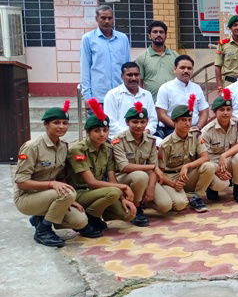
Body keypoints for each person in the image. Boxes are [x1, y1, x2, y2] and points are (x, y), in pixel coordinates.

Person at [15, 100, 100, 247]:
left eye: (65, 123)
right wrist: (51, 184)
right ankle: (43, 231)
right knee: (67, 193)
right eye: (56, 122)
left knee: (80, 221)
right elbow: (21, 181)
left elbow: (61, 176)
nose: (61, 126)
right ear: (46, 124)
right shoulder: (32, 147)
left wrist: (70, 201)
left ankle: (39, 219)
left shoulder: (63, 147)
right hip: (27, 198)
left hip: (50, 195)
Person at [111, 102, 184, 227]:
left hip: (144, 179)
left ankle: (144, 201)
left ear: (147, 122)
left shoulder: (150, 140)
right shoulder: (119, 140)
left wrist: (150, 188)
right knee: (140, 176)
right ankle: (136, 208)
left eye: (143, 122)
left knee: (166, 206)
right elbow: (124, 167)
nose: (139, 126)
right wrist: (152, 167)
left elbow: (154, 166)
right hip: (124, 179)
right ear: (127, 122)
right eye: (135, 122)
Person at [69, 99, 136, 232]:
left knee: (127, 214)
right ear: (88, 133)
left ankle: (99, 213)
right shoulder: (78, 150)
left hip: (99, 193)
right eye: (97, 130)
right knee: (114, 191)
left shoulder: (107, 148)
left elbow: (111, 178)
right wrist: (123, 187)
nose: (102, 134)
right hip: (80, 192)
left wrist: (122, 198)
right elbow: (91, 182)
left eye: (105, 130)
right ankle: (91, 217)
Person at [158, 96, 217, 213]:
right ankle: (180, 196)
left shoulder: (195, 135)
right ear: (174, 122)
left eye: (189, 120)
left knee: (210, 166)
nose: (187, 123)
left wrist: (187, 166)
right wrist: (173, 184)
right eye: (183, 120)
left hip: (188, 174)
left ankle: (196, 197)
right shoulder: (166, 144)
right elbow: (159, 172)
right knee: (180, 205)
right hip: (171, 177)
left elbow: (205, 157)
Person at [201, 89, 238, 204]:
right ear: (215, 112)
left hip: (228, 160)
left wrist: (224, 155)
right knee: (221, 184)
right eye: (222, 110)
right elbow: (204, 156)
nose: (226, 113)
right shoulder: (207, 130)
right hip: (214, 164)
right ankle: (212, 187)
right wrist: (217, 169)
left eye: (228, 109)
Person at [80, 5, 130, 103]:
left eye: (109, 18)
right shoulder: (88, 39)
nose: (106, 21)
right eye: (103, 18)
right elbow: (85, 68)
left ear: (113, 19)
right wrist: (88, 97)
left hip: (121, 95)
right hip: (99, 97)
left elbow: (127, 67)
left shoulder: (123, 38)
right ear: (96, 19)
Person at [155, 55, 210, 136]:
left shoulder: (196, 88)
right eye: (182, 68)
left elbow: (204, 111)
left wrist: (198, 127)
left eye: (189, 68)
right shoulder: (165, 88)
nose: (186, 71)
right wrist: (179, 127)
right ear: (175, 69)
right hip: (172, 130)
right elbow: (161, 114)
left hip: (195, 130)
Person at [103, 62, 158, 139]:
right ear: (122, 76)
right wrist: (131, 135)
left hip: (145, 137)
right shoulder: (112, 95)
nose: (133, 78)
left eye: (136, 75)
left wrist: (146, 132)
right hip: (120, 139)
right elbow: (111, 123)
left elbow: (153, 120)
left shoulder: (147, 95)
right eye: (129, 75)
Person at [135, 20, 179, 100]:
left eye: (161, 32)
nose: (158, 34)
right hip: (152, 103)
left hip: (174, 102)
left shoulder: (175, 56)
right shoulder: (141, 58)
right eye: (155, 32)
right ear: (149, 36)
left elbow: (180, 78)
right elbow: (139, 83)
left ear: (165, 35)